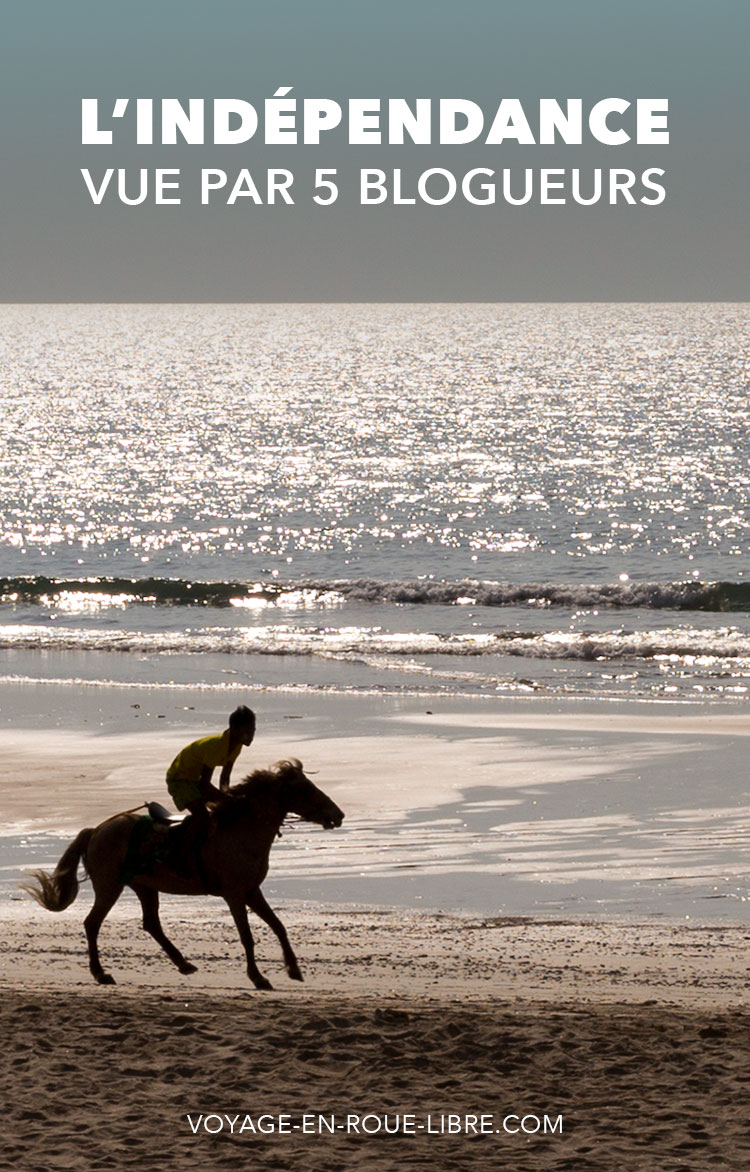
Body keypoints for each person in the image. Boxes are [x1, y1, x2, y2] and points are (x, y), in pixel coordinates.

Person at [165, 705, 256, 884]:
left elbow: (225, 778)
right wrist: (229, 799)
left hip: (195, 780)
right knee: (202, 816)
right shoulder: (216, 746)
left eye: (253, 729)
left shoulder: (236, 746)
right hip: (180, 779)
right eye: (249, 730)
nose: (252, 734)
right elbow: (205, 784)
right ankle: (182, 857)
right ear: (235, 729)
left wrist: (227, 797)